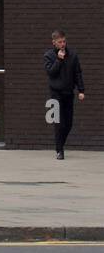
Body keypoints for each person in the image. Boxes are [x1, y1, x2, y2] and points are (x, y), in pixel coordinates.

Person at [44, 30, 86, 159]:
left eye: (64, 41)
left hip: (68, 93)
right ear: (54, 43)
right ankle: (59, 150)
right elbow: (51, 72)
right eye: (60, 42)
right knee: (59, 123)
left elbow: (77, 73)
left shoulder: (72, 55)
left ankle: (60, 144)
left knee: (68, 124)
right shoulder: (49, 56)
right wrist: (58, 59)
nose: (63, 44)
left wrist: (81, 90)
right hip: (56, 94)